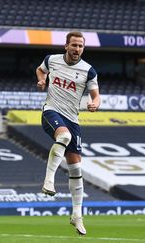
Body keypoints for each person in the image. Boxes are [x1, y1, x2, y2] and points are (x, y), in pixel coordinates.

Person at [36, 31, 100, 235]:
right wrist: (42, 80)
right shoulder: (52, 60)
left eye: (81, 46)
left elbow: (96, 95)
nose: (77, 49)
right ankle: (49, 180)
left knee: (76, 168)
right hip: (51, 111)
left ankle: (77, 216)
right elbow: (40, 69)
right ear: (66, 46)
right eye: (74, 45)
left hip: (73, 119)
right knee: (64, 136)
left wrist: (95, 104)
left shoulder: (88, 70)